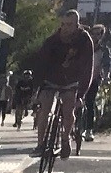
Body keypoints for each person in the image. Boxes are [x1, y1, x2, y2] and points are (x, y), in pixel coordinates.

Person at [30, 9, 95, 159]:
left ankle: (65, 139)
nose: (65, 28)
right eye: (63, 24)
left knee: (68, 109)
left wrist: (81, 94)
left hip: (72, 80)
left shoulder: (84, 40)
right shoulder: (52, 40)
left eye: (70, 25)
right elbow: (41, 64)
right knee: (44, 108)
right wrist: (37, 88)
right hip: (51, 78)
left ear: (77, 25)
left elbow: (88, 68)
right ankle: (40, 145)